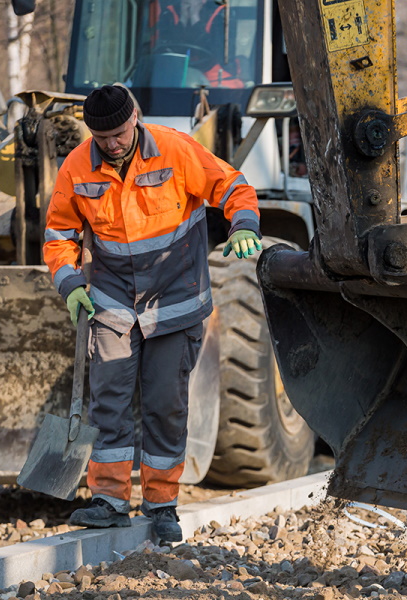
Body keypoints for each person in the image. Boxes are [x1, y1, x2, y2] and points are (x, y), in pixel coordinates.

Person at [43, 85, 262, 543]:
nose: (113, 145)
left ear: (136, 118)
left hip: (174, 302)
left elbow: (234, 187)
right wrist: (69, 285)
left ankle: (162, 504)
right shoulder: (77, 166)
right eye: (103, 138)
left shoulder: (176, 150)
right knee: (108, 402)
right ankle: (109, 500)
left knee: (165, 405)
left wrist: (243, 225)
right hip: (112, 303)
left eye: (120, 134)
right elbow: (59, 235)